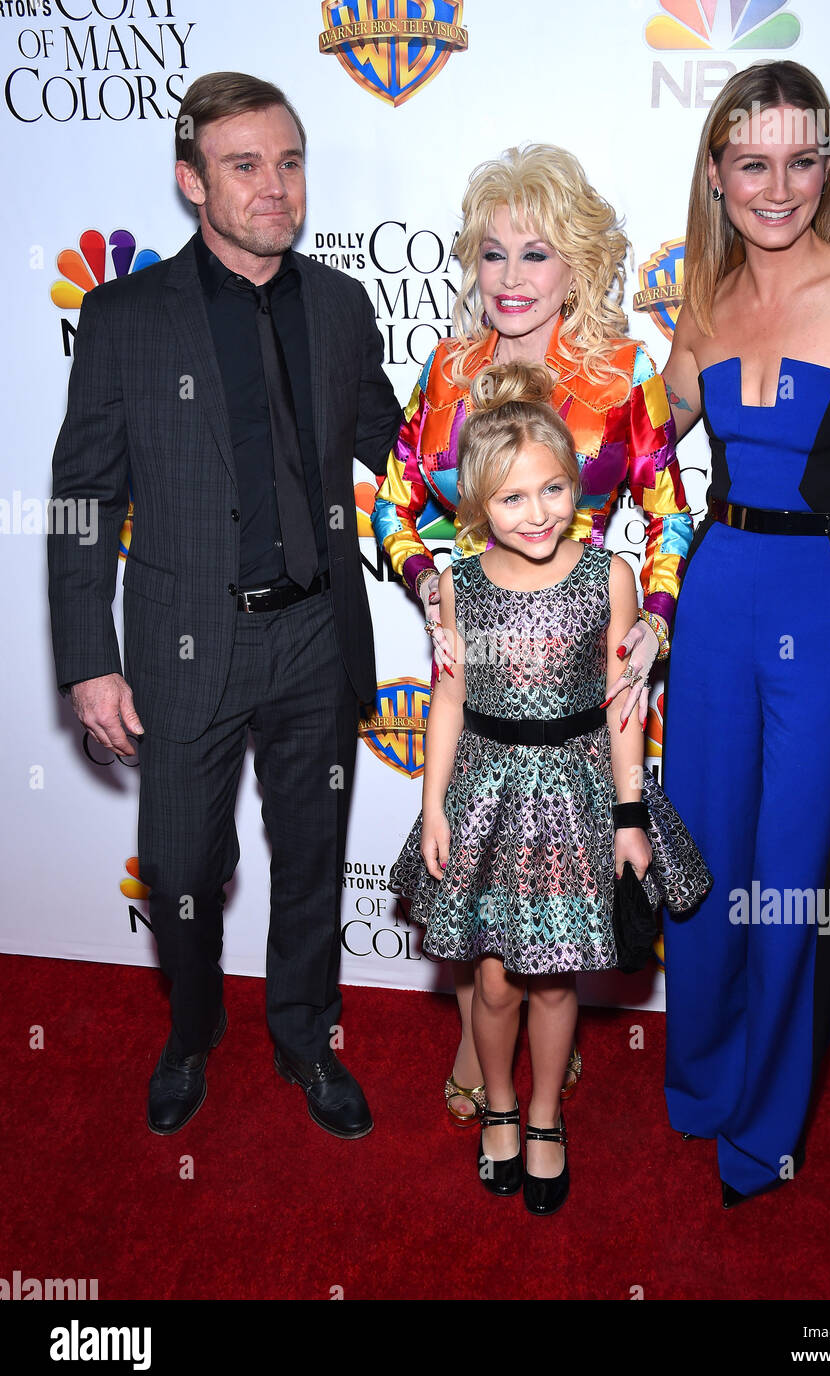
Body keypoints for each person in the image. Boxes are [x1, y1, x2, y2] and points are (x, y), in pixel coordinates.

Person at [48, 72, 401, 1139]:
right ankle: (190, 1031)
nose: (274, 187)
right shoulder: (122, 318)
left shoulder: (340, 306)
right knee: (181, 868)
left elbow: (392, 441)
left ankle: (303, 1034)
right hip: (180, 641)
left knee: (312, 858)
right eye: (245, 165)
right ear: (190, 178)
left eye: (289, 162)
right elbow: (78, 503)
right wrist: (85, 657)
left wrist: (512, 438)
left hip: (313, 633)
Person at [660, 61, 830, 1206]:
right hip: (714, 597)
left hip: (824, 611)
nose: (779, 186)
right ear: (717, 173)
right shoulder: (702, 298)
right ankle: (702, 1078)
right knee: (707, 862)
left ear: (827, 166)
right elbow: (632, 443)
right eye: (752, 162)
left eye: (801, 159)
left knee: (793, 879)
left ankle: (766, 1122)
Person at [372, 144, 693, 1123]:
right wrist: (429, 583)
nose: (509, 278)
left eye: (536, 255)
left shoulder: (619, 372)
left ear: (579, 265)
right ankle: (481, 1037)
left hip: (586, 659)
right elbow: (392, 500)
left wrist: (657, 621)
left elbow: (671, 511)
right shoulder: (448, 367)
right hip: (478, 659)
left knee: (557, 877)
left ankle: (533, 1058)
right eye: (493, 253)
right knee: (470, 864)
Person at [388, 362, 709, 1214]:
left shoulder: (608, 578)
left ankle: (541, 1115)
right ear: (478, 507)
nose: (539, 513)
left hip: (575, 792)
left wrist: (630, 816)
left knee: (558, 978)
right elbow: (449, 698)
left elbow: (622, 707)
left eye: (555, 488)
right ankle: (497, 1101)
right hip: (486, 793)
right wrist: (431, 803)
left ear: (577, 483)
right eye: (513, 498)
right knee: (493, 979)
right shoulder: (458, 585)